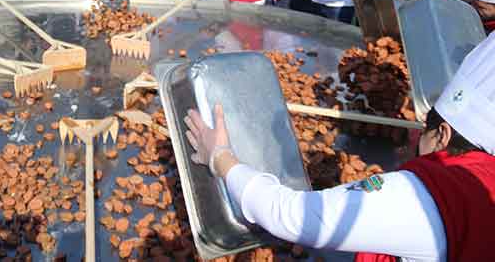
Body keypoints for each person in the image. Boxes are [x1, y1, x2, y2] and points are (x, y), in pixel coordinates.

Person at [185, 24, 495, 261]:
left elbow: (289, 215)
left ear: (443, 134)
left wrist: (220, 157)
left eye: (425, 129)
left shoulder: (435, 193)